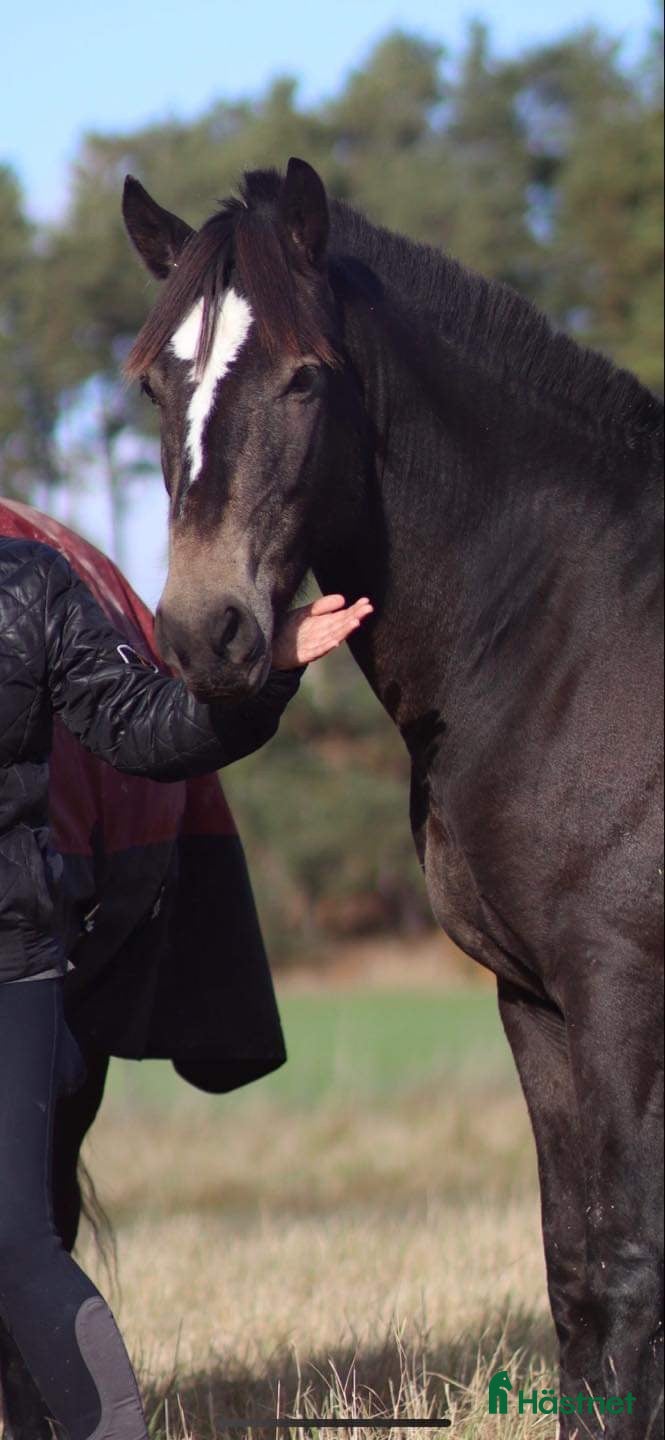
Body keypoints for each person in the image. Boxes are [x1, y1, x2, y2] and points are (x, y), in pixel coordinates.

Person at [0, 533, 372, 1440]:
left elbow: (142, 725)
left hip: (8, 957)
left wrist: (266, 671)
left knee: (15, 1241)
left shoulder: (27, 583)